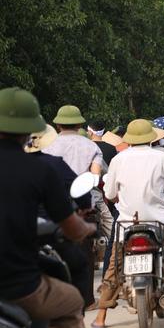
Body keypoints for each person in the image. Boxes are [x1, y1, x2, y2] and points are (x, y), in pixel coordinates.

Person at [0, 87, 96, 328]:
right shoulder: (42, 170)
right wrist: (87, 228)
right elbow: (73, 228)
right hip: (19, 286)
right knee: (73, 300)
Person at [93, 119, 164, 328]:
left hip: (127, 225)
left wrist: (119, 198)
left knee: (114, 266)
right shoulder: (161, 158)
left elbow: (109, 194)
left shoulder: (119, 160)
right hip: (160, 223)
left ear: (128, 139)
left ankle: (100, 317)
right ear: (150, 138)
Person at [43, 104, 112, 310]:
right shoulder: (91, 147)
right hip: (82, 207)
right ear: (80, 124)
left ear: (57, 124)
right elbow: (95, 176)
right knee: (84, 255)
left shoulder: (48, 146)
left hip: (52, 207)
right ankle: (87, 301)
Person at [24, 124, 93, 306]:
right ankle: (78, 311)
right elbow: (80, 190)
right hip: (50, 233)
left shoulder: (9, 164)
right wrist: (85, 207)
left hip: (13, 238)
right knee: (79, 266)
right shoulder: (53, 164)